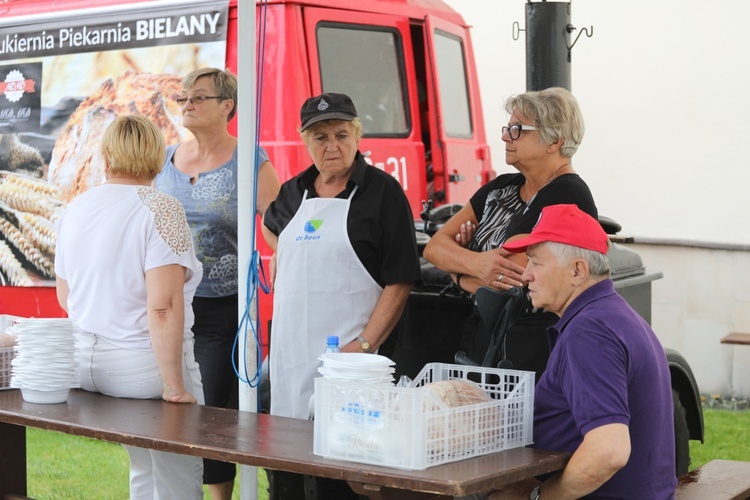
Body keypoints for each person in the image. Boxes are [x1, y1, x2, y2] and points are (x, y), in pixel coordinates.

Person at [262, 92, 421, 499]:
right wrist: (282, 253)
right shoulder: (294, 191)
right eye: (319, 137)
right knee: (288, 474)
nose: (331, 146)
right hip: (291, 358)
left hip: (353, 365)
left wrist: (364, 345)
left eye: (340, 134)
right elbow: (272, 227)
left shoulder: (383, 194)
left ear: (357, 135)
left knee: (346, 477)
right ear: (304, 140)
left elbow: (399, 281)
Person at [54, 115, 205, 499]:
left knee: (143, 466)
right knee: (178, 474)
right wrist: (174, 385)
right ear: (158, 157)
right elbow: (165, 306)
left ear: (106, 157)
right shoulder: (162, 208)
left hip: (86, 365)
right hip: (144, 367)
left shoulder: (76, 207)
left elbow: (65, 295)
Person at [490, 203, 676, 499]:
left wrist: (538, 496)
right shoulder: (614, 314)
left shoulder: (588, 332)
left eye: (536, 263)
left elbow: (609, 450)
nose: (526, 275)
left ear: (578, 271)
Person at [154, 67, 280, 500]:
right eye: (184, 98)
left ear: (228, 106)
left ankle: (220, 496)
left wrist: (280, 253)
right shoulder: (165, 161)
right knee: (162, 408)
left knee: (210, 411)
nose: (187, 104)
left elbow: (277, 222)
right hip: (165, 306)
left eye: (199, 97)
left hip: (220, 309)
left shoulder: (250, 159)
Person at [423, 87, 597, 381]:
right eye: (508, 127)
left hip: (531, 350)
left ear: (554, 140)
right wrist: (477, 264)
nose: (505, 136)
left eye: (518, 130)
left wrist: (456, 269)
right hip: (488, 338)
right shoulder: (500, 188)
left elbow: (508, 281)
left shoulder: (567, 194)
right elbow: (434, 248)